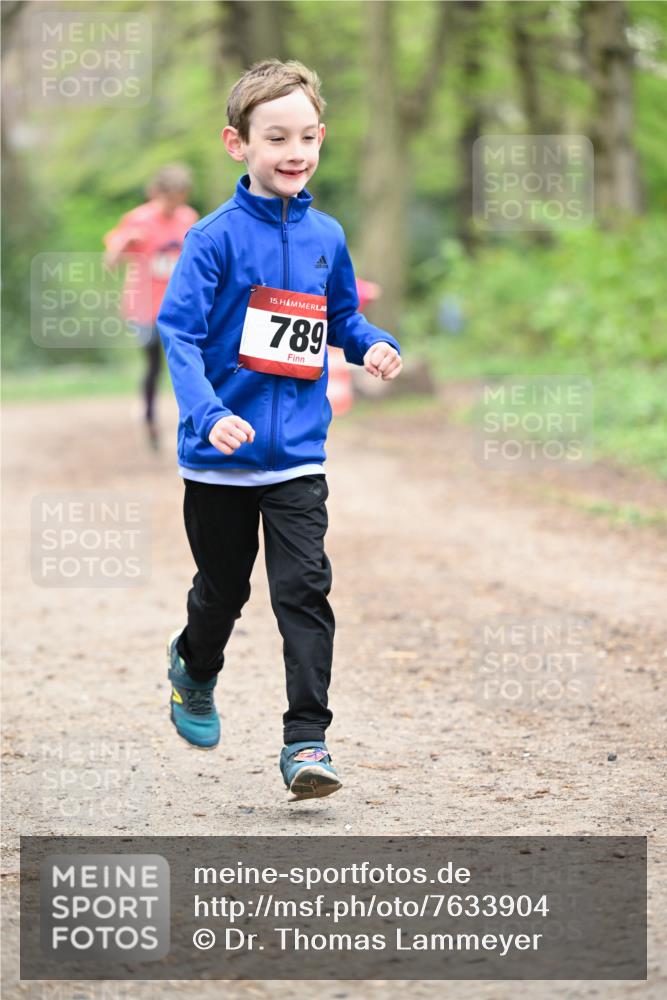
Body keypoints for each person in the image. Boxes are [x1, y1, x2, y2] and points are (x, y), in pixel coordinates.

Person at [157, 60, 403, 800]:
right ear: (237, 144)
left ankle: (306, 741)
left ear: (321, 138)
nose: (294, 152)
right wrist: (210, 415)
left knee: (303, 593)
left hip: (296, 457)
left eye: (306, 137)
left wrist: (371, 344)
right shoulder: (213, 238)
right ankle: (194, 668)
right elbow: (179, 334)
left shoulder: (327, 234)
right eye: (276, 138)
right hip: (219, 458)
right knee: (222, 592)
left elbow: (343, 318)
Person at [103, 164, 198, 450]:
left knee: (187, 362)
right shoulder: (137, 220)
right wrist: (125, 243)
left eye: (179, 198)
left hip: (178, 306)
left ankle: (194, 421)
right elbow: (110, 263)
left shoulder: (189, 218)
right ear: (157, 193)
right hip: (144, 307)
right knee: (155, 364)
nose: (173, 205)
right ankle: (149, 417)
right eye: (169, 198)